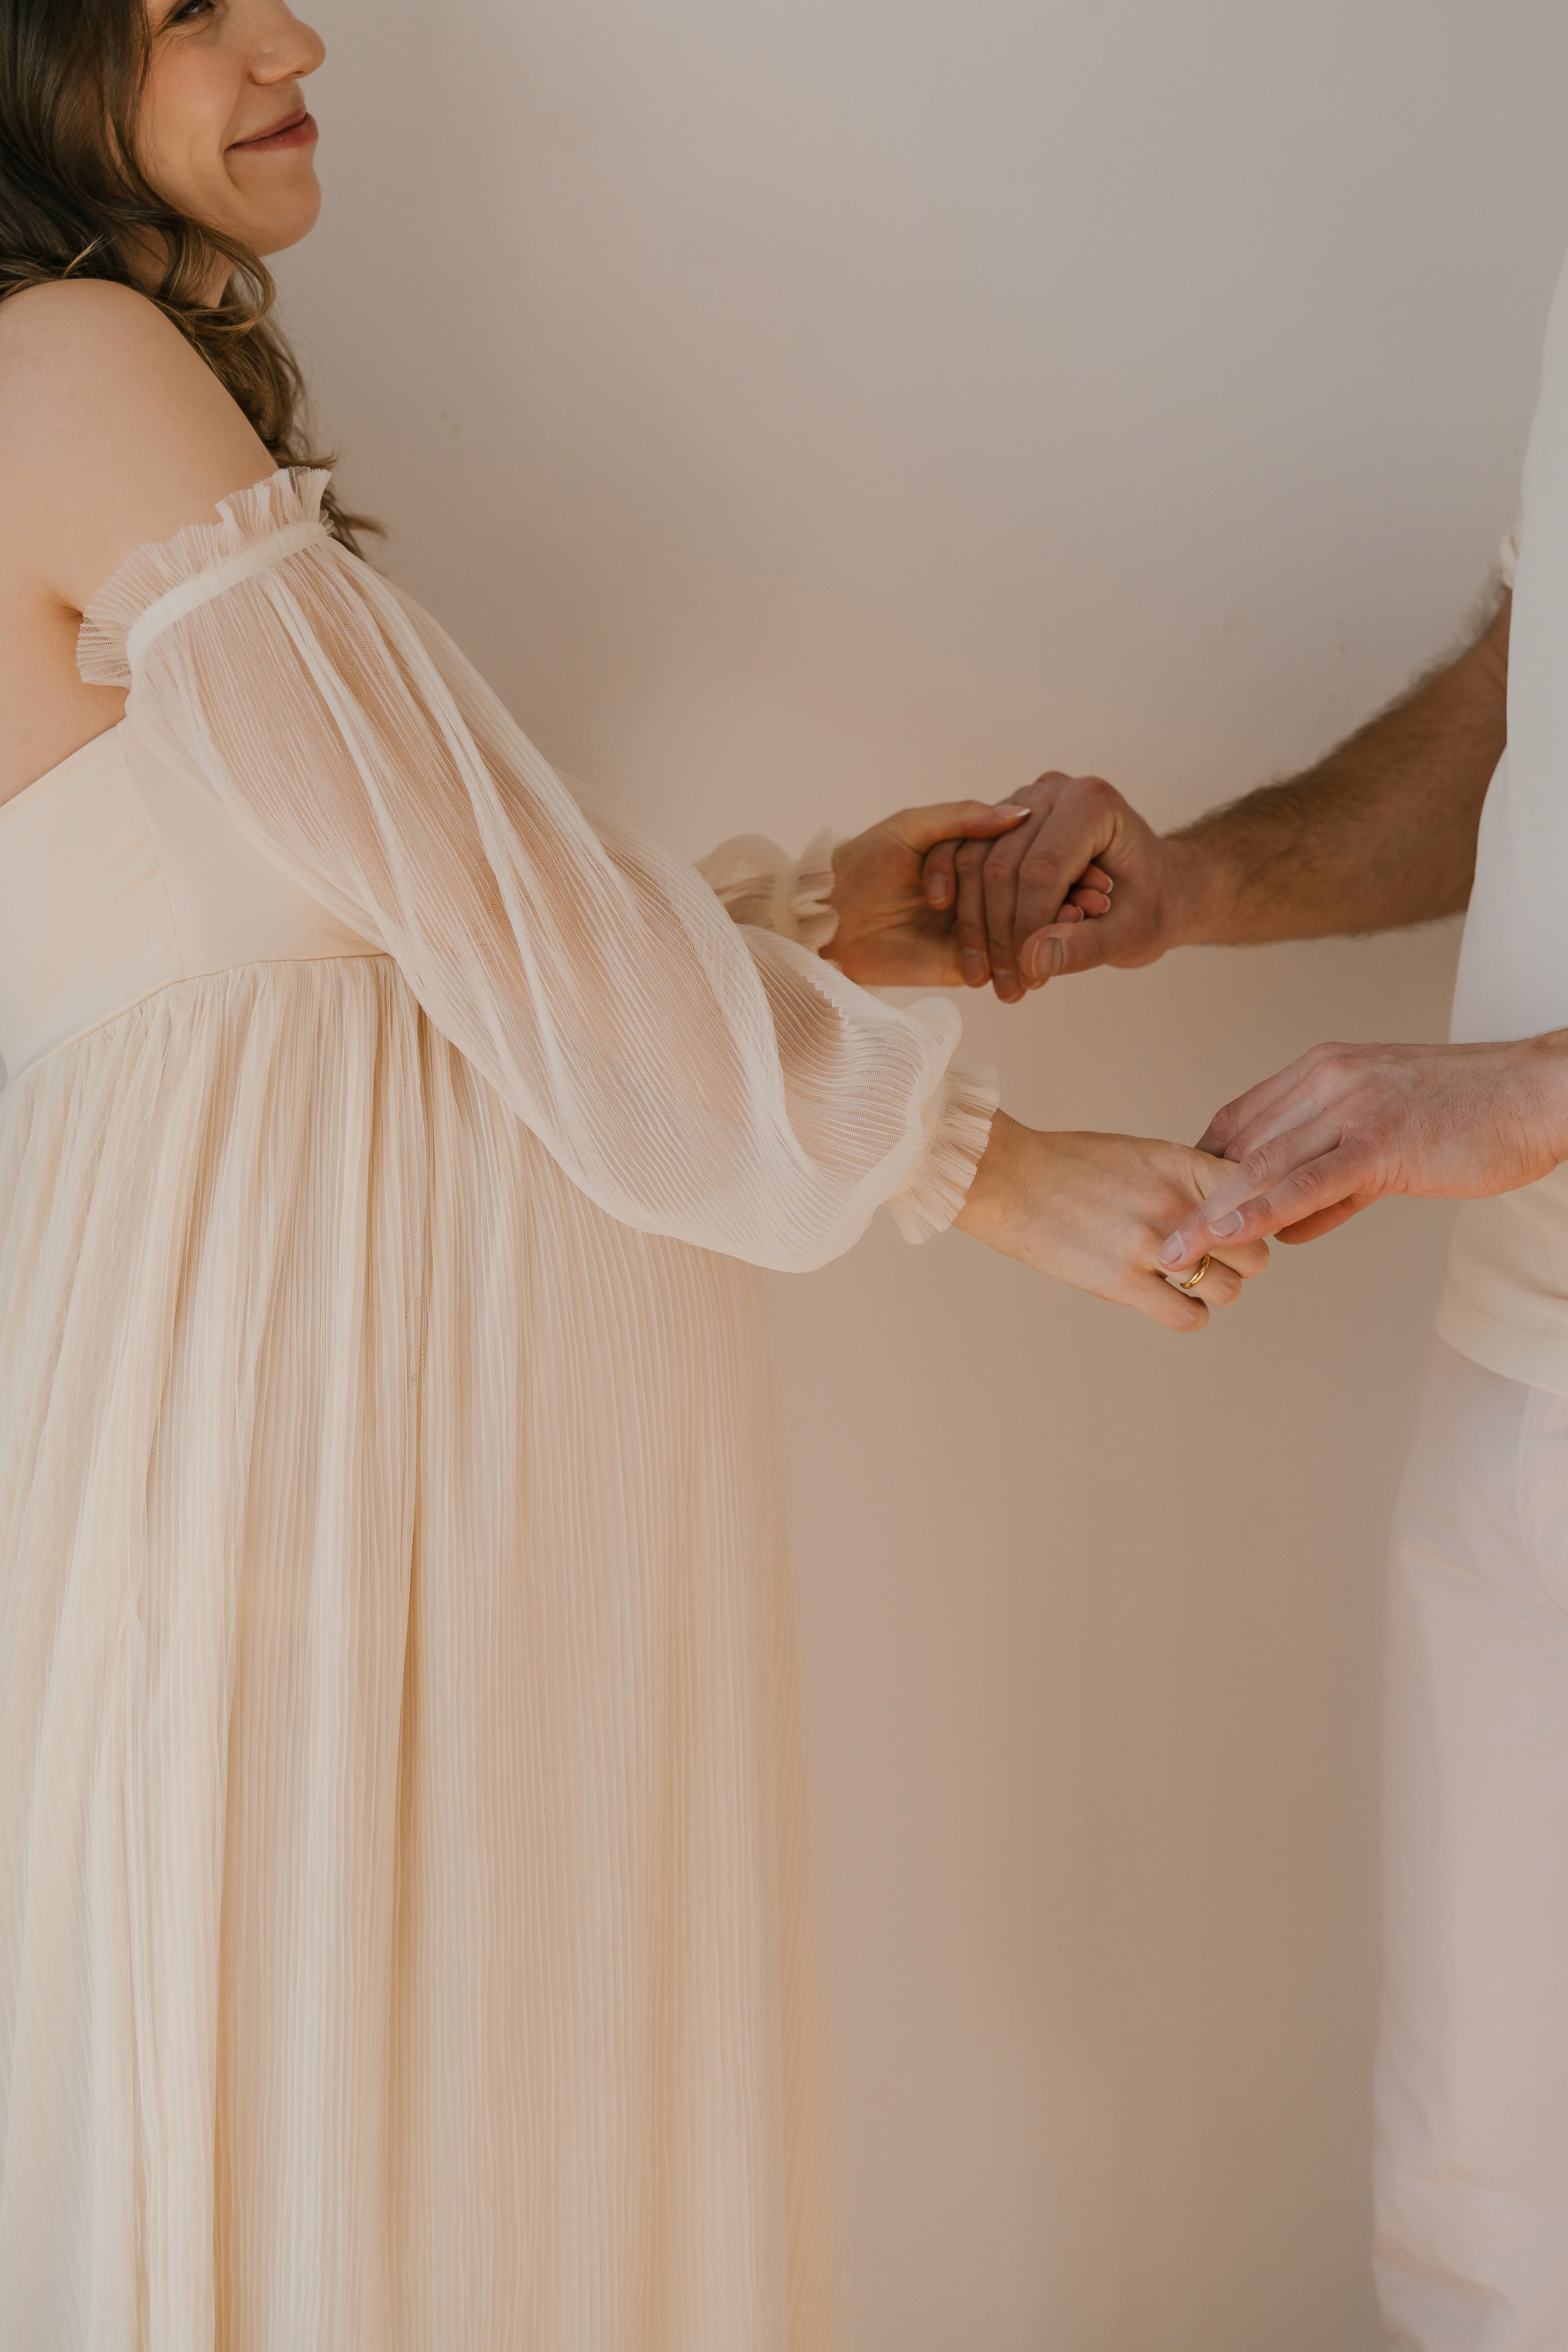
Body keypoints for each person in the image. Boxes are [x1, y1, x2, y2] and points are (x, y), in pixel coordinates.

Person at [0, 3, 1270, 2345]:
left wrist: (805, 926)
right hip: (282, 1473)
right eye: (180, 3)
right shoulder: (60, 363)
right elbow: (473, 914)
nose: (290, 33)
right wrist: (969, 1165)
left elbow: (378, 947)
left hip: (273, 1456)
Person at [871, 243, 1568, 2348]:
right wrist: (1208, 882)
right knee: (1488, 2213)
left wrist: (1529, 1092)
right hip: (1528, 1377)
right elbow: (1528, 699)